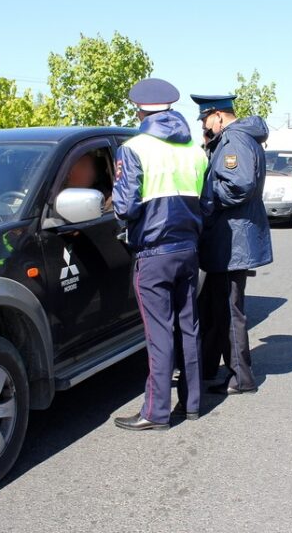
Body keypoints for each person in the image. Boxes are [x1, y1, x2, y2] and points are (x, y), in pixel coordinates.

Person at [112, 78, 210, 431]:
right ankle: (193, 403)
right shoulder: (196, 151)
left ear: (140, 110)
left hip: (153, 253)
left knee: (159, 333)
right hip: (188, 250)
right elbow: (208, 202)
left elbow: (124, 206)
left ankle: (155, 413)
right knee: (189, 326)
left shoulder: (134, 148)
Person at [190, 93, 273, 395]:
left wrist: (205, 202)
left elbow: (239, 186)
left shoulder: (234, 140)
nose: (204, 125)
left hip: (232, 241)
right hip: (229, 239)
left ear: (218, 116)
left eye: (205, 119)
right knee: (214, 307)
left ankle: (241, 378)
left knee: (228, 310)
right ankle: (208, 368)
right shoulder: (237, 138)